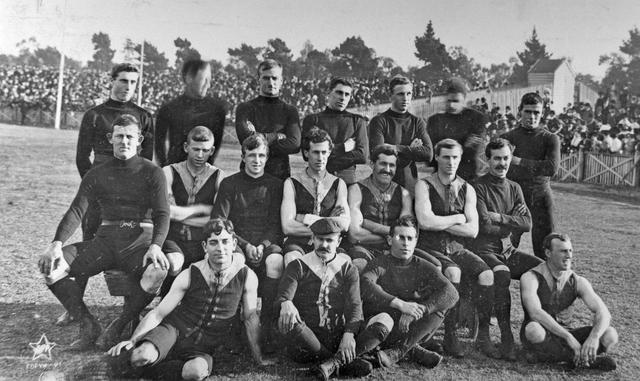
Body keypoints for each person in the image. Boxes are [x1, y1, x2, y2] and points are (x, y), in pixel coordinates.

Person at [38, 114, 172, 351]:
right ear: (110, 139)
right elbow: (76, 211)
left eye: (130, 136)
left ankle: (118, 325)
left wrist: (156, 245)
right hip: (105, 242)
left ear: (139, 139)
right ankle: (88, 324)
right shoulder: (96, 173)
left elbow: (162, 213)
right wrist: (56, 243)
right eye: (119, 136)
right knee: (51, 268)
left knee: (157, 272)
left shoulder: (153, 172)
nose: (124, 141)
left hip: (139, 243)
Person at [107, 219, 274, 380]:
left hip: (204, 347)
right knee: (141, 355)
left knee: (196, 372)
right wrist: (133, 340)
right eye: (213, 243)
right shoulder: (190, 273)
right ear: (205, 246)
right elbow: (158, 313)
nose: (220, 248)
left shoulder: (247, 276)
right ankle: (134, 361)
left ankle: (148, 370)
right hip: (175, 330)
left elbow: (250, 317)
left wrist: (258, 357)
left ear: (234, 244)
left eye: (225, 241)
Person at [276, 219, 390, 380]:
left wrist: (349, 334)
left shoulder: (348, 269)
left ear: (339, 241)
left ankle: (331, 364)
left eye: (329, 240)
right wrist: (286, 302)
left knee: (386, 320)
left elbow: (355, 306)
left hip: (337, 338)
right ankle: (342, 362)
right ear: (312, 239)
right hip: (306, 339)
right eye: (320, 239)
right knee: (289, 314)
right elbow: (284, 294)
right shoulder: (298, 265)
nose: (324, 245)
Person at [414, 139, 496, 358]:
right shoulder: (424, 185)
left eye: (455, 157)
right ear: (438, 158)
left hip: (457, 248)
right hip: (430, 247)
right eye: (446, 157)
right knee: (453, 271)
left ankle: (484, 336)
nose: (450, 162)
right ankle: (451, 336)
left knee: (487, 274)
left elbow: (472, 230)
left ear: (460, 159)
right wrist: (457, 218)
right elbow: (425, 222)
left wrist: (443, 220)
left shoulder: (467, 188)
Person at [211, 133, 284, 352]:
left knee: (276, 262)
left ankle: (267, 324)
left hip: (267, 242)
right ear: (243, 157)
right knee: (235, 264)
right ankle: (233, 327)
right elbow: (220, 221)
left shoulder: (276, 185)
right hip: (237, 243)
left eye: (262, 155)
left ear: (267, 157)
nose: (257, 160)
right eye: (251, 155)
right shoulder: (229, 184)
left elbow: (276, 223)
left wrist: (262, 244)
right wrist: (243, 244)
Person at [472, 138, 544, 360]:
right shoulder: (478, 186)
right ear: (487, 159)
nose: (502, 163)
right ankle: (501, 337)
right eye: (497, 159)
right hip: (485, 251)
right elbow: (484, 225)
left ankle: (530, 330)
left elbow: (528, 223)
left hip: (508, 250)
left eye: (506, 158)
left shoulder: (515, 187)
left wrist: (500, 217)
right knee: (501, 273)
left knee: (542, 270)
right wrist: (512, 221)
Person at [359, 216, 458, 368]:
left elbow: (451, 293)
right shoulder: (380, 263)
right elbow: (365, 283)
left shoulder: (421, 264)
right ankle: (411, 350)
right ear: (390, 240)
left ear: (416, 241)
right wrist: (400, 304)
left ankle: (399, 351)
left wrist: (422, 309)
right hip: (385, 324)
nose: (406, 243)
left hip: (410, 324)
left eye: (410, 238)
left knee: (440, 306)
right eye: (401, 237)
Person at [520, 233, 618, 370]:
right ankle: (583, 359)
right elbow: (535, 313)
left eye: (570, 250)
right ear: (548, 253)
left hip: (567, 335)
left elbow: (604, 312)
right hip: (544, 335)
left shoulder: (578, 281)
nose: (569, 255)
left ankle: (559, 358)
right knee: (533, 329)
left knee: (610, 334)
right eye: (563, 251)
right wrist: (568, 337)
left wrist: (594, 337)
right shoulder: (530, 277)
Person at [347, 144, 440, 272]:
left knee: (434, 265)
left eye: (392, 165)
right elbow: (355, 235)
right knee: (359, 264)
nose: (387, 169)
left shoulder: (403, 194)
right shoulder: (356, 189)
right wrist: (391, 237)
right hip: (365, 248)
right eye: (383, 164)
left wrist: (372, 226)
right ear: (372, 164)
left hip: (395, 250)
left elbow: (406, 232)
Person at [159, 126, 224, 296]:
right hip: (172, 238)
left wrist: (180, 214)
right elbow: (168, 213)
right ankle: (166, 305)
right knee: (174, 262)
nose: (200, 155)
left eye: (205, 150)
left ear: (212, 150)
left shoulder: (218, 176)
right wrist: (202, 209)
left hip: (202, 240)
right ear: (186, 147)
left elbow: (217, 219)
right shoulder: (169, 172)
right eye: (195, 149)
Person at [501, 92, 560, 259]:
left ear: (542, 114)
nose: (532, 116)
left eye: (537, 112)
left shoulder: (550, 138)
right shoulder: (507, 138)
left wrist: (519, 161)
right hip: (514, 196)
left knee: (547, 246)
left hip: (540, 195)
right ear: (519, 111)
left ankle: (546, 283)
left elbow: (551, 168)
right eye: (528, 111)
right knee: (504, 245)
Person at [280, 128, 350, 266]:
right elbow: (288, 226)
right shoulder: (292, 182)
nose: (320, 157)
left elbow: (344, 224)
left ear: (329, 152)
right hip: (299, 243)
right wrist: (328, 220)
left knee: (344, 262)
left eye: (324, 152)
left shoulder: (338, 183)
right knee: (292, 260)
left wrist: (303, 218)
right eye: (316, 152)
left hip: (329, 243)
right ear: (306, 153)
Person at [235, 59, 301, 180]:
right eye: (266, 78)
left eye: (274, 78)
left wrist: (257, 137)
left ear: (281, 81)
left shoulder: (290, 110)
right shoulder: (245, 108)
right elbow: (245, 140)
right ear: (258, 80)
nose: (271, 82)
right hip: (249, 176)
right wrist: (276, 136)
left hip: (279, 175)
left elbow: (294, 144)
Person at [154, 59, 227, 167]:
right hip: (176, 173)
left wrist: (206, 171)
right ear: (189, 78)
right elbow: (159, 144)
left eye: (209, 80)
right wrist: (165, 170)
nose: (208, 85)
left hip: (204, 175)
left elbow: (216, 145)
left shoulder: (217, 110)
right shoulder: (169, 109)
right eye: (204, 80)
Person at [368, 75, 433, 190]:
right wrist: (411, 150)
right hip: (384, 186)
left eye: (409, 94)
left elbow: (428, 154)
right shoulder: (379, 121)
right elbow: (379, 158)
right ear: (390, 96)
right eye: (400, 94)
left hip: (410, 186)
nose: (405, 98)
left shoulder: (417, 122)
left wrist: (397, 148)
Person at [301, 77, 368, 185]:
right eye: (339, 93)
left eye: (347, 94)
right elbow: (306, 154)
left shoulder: (357, 121)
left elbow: (362, 155)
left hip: (347, 183)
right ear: (329, 93)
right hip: (319, 181)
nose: (343, 98)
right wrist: (343, 148)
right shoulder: (313, 120)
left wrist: (326, 155)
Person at [426, 77, 488, 183]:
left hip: (467, 176)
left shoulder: (475, 118)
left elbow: (472, 151)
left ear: (464, 99)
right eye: (449, 101)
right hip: (441, 177)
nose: (451, 105)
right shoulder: (435, 120)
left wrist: (444, 149)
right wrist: (463, 144)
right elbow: (430, 157)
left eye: (455, 101)